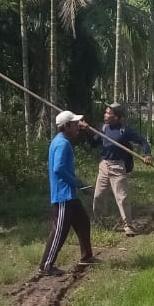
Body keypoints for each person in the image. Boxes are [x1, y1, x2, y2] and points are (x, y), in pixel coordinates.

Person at [37, 110, 99, 277]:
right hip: (63, 195)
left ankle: (86, 256)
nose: (78, 126)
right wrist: (80, 184)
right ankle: (46, 265)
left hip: (69, 195)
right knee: (59, 231)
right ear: (66, 126)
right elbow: (58, 169)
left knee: (83, 222)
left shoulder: (60, 141)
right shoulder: (62, 143)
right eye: (75, 124)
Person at [91, 102, 153, 237]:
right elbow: (93, 143)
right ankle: (98, 222)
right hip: (104, 166)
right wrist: (86, 131)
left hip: (118, 167)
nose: (105, 115)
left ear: (117, 117)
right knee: (98, 196)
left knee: (122, 198)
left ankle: (128, 225)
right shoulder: (103, 128)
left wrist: (147, 154)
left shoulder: (124, 131)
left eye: (109, 113)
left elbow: (143, 141)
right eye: (106, 112)